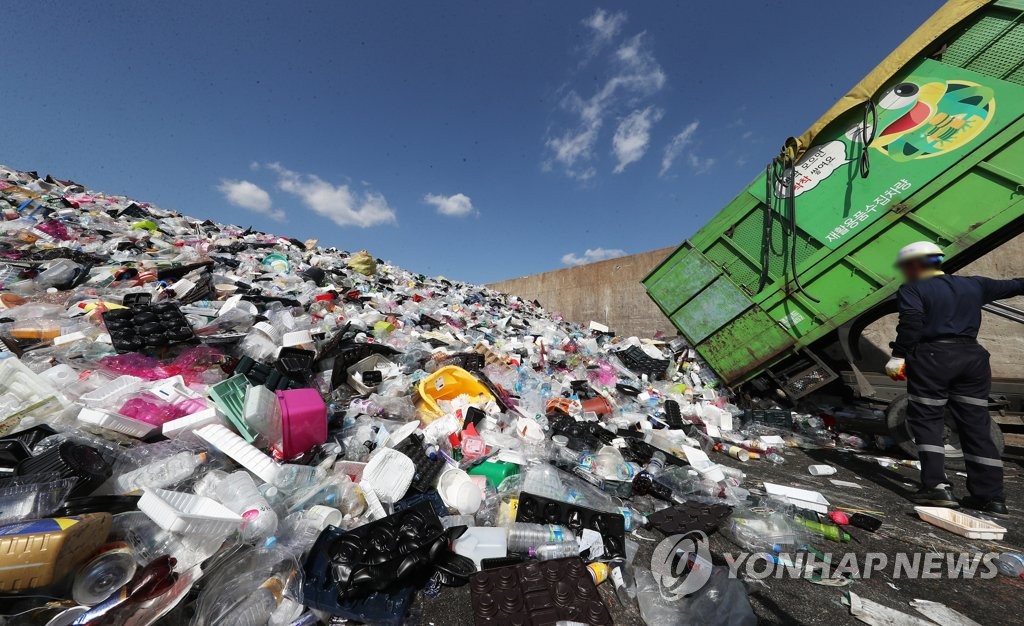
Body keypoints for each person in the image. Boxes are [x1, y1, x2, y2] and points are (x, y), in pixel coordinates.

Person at [885, 241, 1024, 516]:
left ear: (914, 265)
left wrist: (899, 355)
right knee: (975, 423)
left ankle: (936, 488)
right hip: (972, 358)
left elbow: (912, 321)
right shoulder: (974, 285)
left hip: (933, 357)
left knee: (927, 419)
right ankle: (991, 496)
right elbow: (1017, 284)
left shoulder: (913, 289)